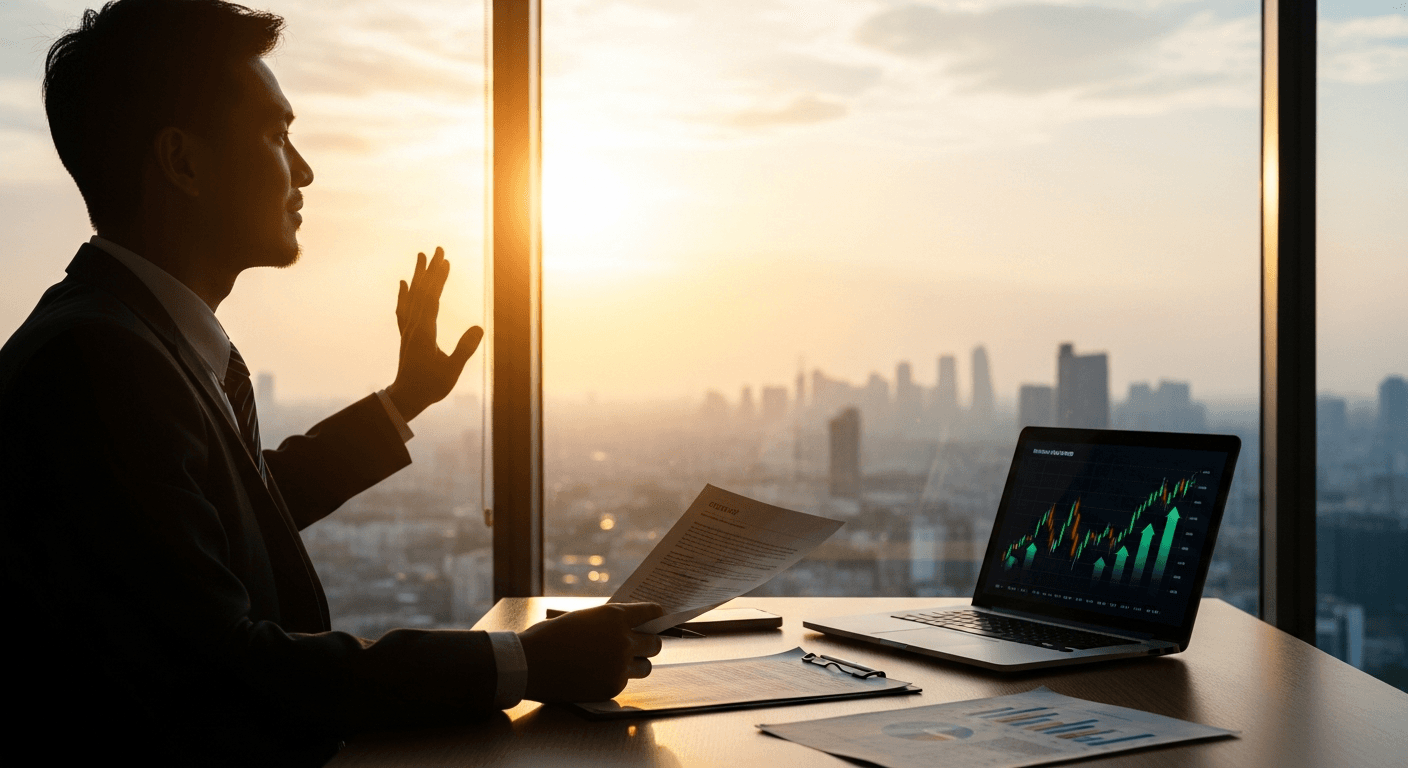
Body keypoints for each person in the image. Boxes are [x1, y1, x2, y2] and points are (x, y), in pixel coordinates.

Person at [0, 1, 663, 765]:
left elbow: (236, 507)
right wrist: (525, 662)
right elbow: (230, 670)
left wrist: (402, 398)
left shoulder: (131, 338)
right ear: (183, 163)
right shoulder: (97, 365)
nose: (306, 170)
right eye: (278, 135)